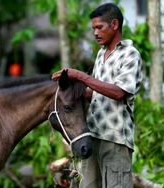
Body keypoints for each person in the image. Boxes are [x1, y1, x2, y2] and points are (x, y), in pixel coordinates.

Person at [52, 3, 142, 188]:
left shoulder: (130, 54)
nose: (95, 33)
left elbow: (118, 92)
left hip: (115, 139)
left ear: (114, 25)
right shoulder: (101, 54)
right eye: (93, 28)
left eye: (99, 27)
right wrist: (67, 90)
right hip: (91, 135)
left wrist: (80, 76)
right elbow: (93, 93)